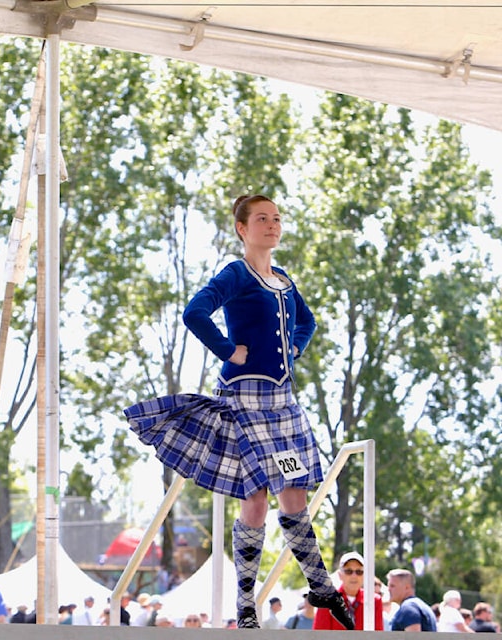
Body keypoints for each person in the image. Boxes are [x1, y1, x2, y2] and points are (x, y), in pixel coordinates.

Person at [123, 194, 354, 631]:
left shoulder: (283, 279)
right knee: (255, 500)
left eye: (277, 218)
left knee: (295, 496)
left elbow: (307, 322)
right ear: (242, 229)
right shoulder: (236, 273)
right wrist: (229, 350)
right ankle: (245, 603)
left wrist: (298, 346)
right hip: (245, 398)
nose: (272, 225)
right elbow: (195, 313)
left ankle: (320, 585)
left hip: (282, 404)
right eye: (262, 218)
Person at [313, 551, 384, 631]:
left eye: (359, 572)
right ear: (340, 575)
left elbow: (378, 635)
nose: (354, 576)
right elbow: (320, 635)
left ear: (364, 575)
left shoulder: (374, 601)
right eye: (348, 571)